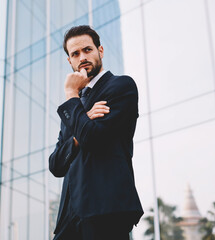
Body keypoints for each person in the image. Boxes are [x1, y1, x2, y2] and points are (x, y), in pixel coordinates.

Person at [49, 25, 144, 240]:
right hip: (69, 217)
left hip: (106, 210)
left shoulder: (121, 86)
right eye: (75, 54)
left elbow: (92, 139)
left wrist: (71, 93)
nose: (82, 57)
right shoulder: (74, 106)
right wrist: (79, 128)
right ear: (70, 62)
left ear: (100, 51)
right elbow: (56, 164)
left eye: (87, 50)